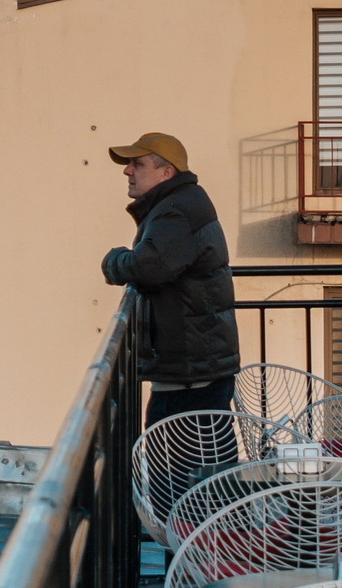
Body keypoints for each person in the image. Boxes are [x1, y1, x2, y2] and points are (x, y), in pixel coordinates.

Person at [100, 132, 239, 421]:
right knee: (205, 450)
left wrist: (113, 261)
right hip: (193, 371)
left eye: (138, 164)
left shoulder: (176, 211)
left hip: (191, 378)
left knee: (180, 451)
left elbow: (148, 266)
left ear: (166, 172)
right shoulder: (181, 203)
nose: (127, 171)